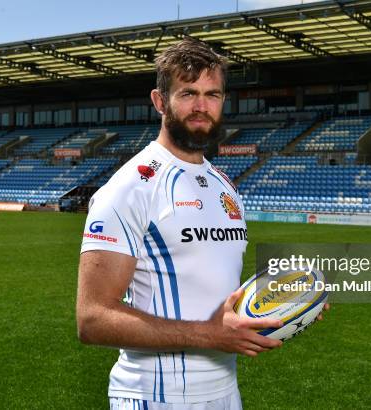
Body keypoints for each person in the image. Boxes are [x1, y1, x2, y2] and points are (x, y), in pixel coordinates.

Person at [76, 38, 327, 410]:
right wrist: (209, 335)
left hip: (225, 394)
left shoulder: (224, 186)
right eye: (188, 93)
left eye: (212, 95)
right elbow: (92, 319)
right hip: (155, 397)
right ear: (160, 101)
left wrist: (290, 305)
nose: (201, 106)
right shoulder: (130, 188)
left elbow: (215, 287)